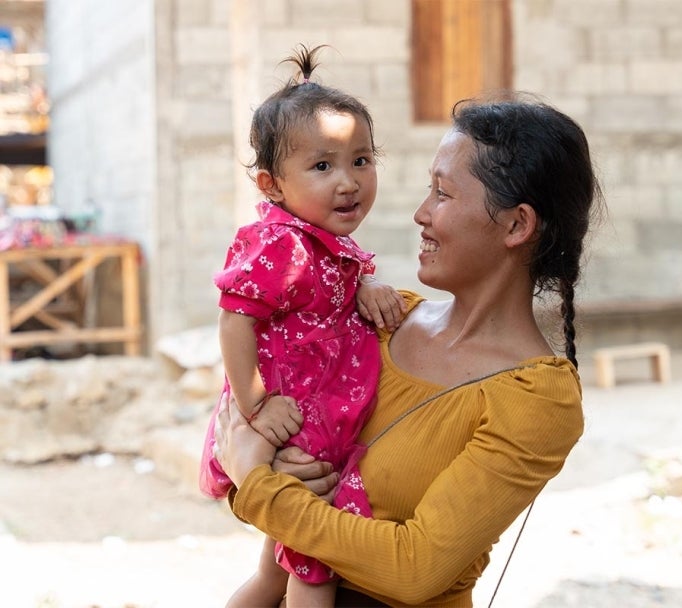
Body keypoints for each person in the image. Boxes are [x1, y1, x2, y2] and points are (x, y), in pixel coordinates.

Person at [214, 94, 603, 607]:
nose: (421, 214)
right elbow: (237, 438)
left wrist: (262, 485)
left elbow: (414, 568)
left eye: (442, 194)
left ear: (516, 225)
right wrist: (258, 479)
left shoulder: (537, 398)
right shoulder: (378, 318)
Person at [199, 44, 407, 608]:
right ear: (271, 185)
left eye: (361, 160)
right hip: (297, 424)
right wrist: (257, 404)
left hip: (323, 417)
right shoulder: (279, 242)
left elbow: (331, 299)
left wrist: (367, 289)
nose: (349, 182)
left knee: (273, 576)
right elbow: (235, 322)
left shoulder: (332, 246)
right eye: (322, 166)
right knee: (316, 570)